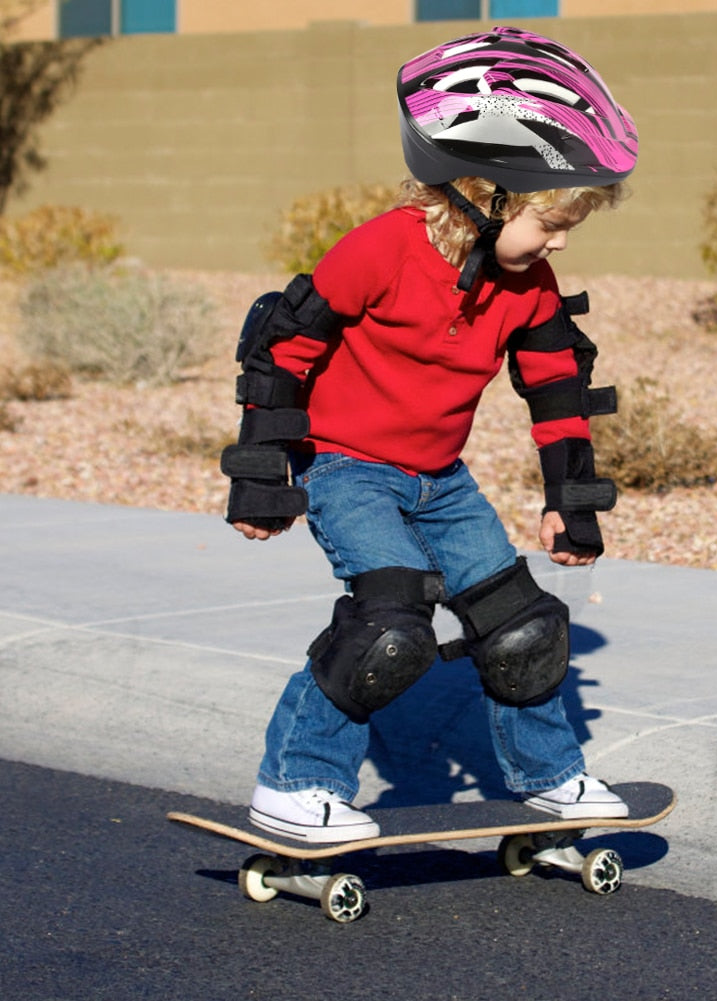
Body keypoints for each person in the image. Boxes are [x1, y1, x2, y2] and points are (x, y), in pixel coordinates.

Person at [220, 26, 639, 843]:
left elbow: (555, 384)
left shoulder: (530, 283)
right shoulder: (382, 248)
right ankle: (295, 784)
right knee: (389, 626)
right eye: (551, 220)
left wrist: (570, 500)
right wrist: (264, 478)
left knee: (521, 627)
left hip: (441, 479)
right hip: (348, 470)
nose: (558, 240)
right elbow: (282, 350)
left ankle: (549, 778)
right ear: (486, 194)